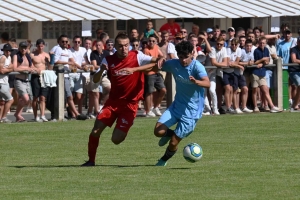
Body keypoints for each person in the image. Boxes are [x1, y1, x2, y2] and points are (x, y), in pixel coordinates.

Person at [81, 32, 164, 166]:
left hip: (130, 105)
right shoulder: (108, 60)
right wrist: (102, 70)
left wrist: (135, 69)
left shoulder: (137, 56)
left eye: (126, 46)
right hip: (113, 102)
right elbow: (95, 80)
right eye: (120, 46)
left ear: (129, 45)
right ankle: (91, 161)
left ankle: (125, 123)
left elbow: (157, 62)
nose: (124, 49)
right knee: (95, 130)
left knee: (116, 139)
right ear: (115, 47)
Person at [154, 41, 210, 166]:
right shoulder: (174, 64)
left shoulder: (197, 67)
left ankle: (163, 160)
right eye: (180, 57)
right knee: (158, 131)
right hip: (176, 106)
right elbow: (158, 65)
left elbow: (207, 83)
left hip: (191, 112)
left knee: (174, 143)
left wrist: (196, 82)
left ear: (192, 54)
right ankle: (171, 134)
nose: (183, 60)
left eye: (186, 57)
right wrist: (161, 58)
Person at [30, 39, 51, 122]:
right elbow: (30, 66)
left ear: (44, 46)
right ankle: (36, 116)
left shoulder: (46, 55)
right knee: (35, 97)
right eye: (39, 46)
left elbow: (50, 67)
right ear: (36, 46)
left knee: (43, 97)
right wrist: (35, 69)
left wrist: (48, 62)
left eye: (42, 46)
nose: (40, 48)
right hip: (35, 76)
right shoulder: (32, 55)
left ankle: (42, 115)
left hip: (44, 76)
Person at [0, 43, 14, 123]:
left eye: (9, 51)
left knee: (3, 101)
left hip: (5, 81)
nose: (8, 52)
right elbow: (1, 70)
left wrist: (8, 69)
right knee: (11, 100)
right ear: (4, 51)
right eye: (6, 51)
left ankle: (1, 118)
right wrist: (9, 69)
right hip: (1, 82)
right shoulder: (3, 58)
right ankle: (4, 117)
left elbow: (13, 67)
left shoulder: (9, 57)